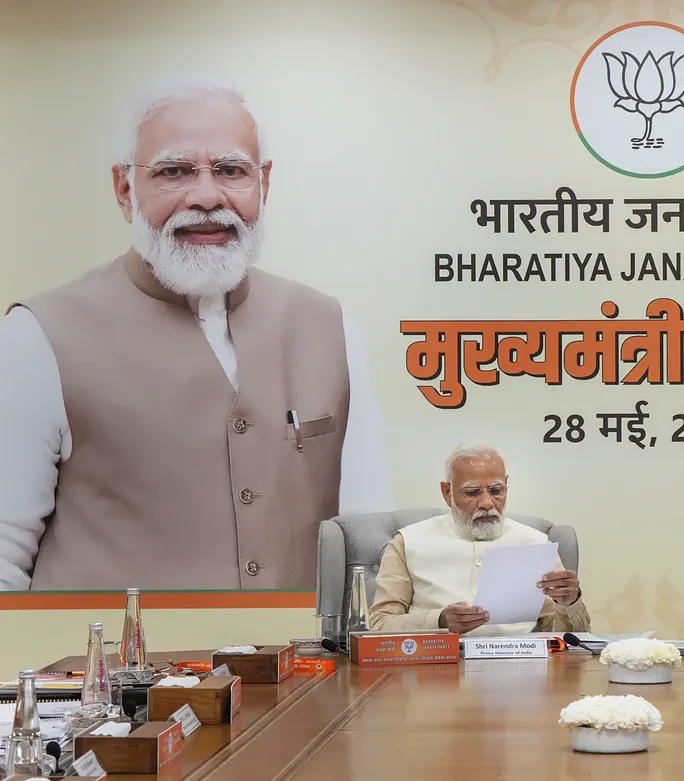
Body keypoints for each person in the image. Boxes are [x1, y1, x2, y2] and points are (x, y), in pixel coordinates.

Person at [0, 77, 394, 591]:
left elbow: (369, 545)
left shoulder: (329, 326)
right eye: (174, 171)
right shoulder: (37, 335)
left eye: (231, 171)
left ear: (264, 184)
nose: (207, 197)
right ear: (124, 189)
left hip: (301, 668)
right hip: (110, 669)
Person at [368, 445, 591, 636]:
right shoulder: (408, 542)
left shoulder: (536, 543)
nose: (487, 502)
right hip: (433, 668)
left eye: (496, 490)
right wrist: (438, 622)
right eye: (472, 492)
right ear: (447, 493)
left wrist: (569, 602)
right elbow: (378, 625)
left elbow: (571, 639)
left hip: (520, 671)